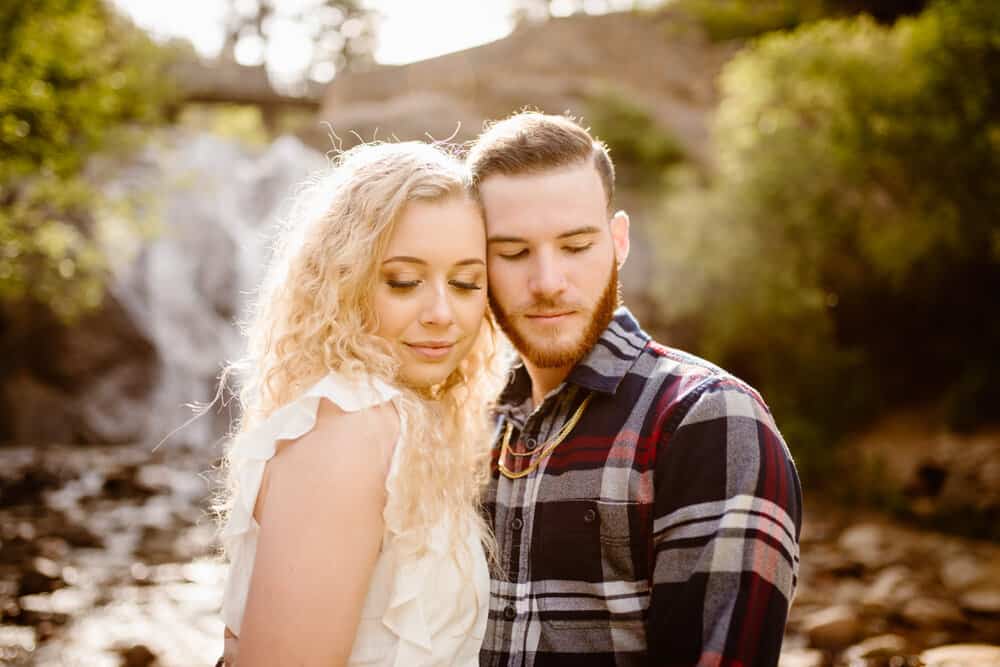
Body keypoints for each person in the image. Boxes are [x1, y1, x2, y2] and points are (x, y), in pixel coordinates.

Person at [467, 112, 802, 666]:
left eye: (575, 246)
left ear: (618, 241)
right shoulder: (464, 423)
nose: (548, 281)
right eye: (513, 252)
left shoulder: (708, 418)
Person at [215, 141, 505, 666]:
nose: (442, 312)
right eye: (403, 281)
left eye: (466, 283)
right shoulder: (351, 427)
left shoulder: (409, 421)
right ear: (344, 283)